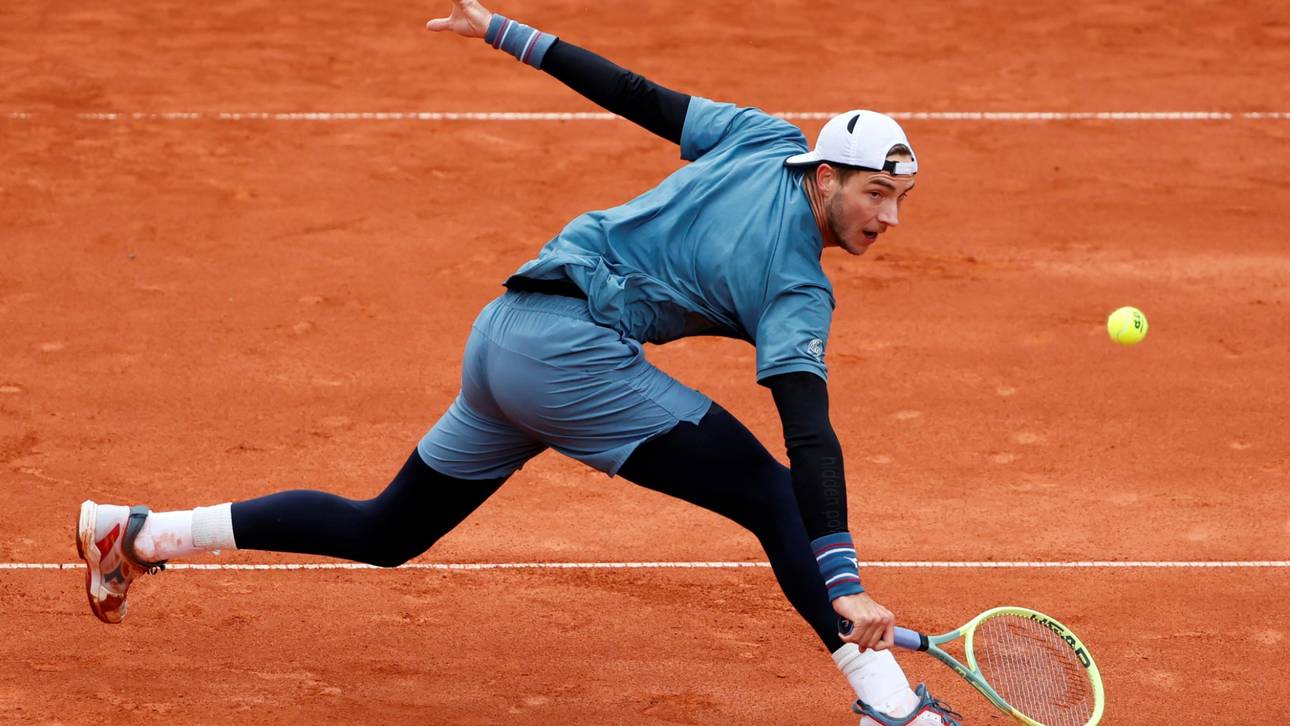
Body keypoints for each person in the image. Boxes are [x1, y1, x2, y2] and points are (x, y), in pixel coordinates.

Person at [74, 2, 960, 724]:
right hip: (572, 361)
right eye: (874, 193)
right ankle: (887, 704)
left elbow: (639, 96)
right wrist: (842, 584)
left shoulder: (760, 137)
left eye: (900, 200)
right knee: (770, 495)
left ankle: (141, 533)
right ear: (823, 178)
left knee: (387, 532)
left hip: (504, 333)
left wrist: (507, 31)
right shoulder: (797, 286)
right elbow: (811, 439)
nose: (886, 218)